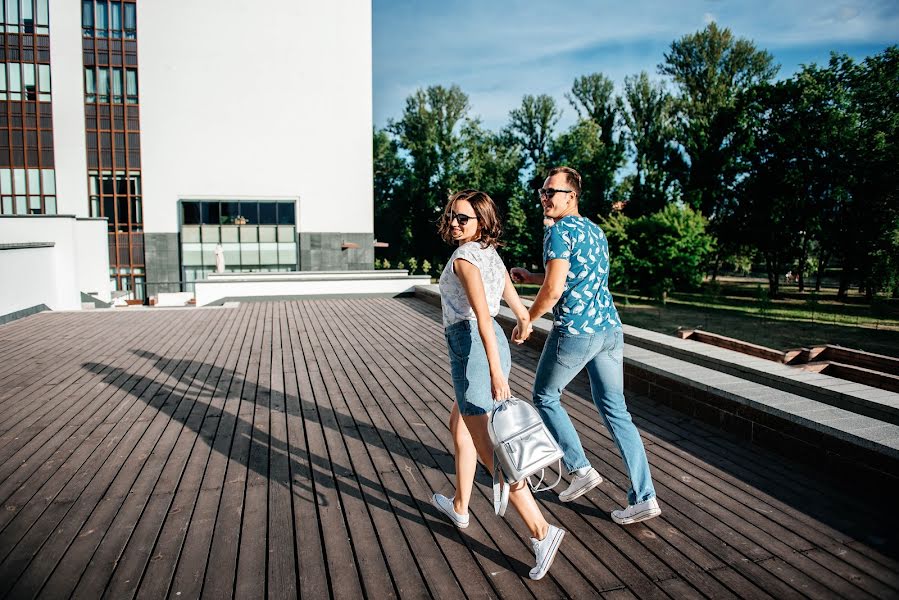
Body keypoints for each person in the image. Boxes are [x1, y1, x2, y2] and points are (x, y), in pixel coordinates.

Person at [510, 166, 661, 525]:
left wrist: (527, 319)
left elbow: (555, 290)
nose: (544, 198)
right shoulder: (595, 230)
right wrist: (532, 276)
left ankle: (580, 468)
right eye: (542, 192)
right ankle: (645, 496)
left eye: (552, 193)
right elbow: (580, 277)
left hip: (576, 331)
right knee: (616, 412)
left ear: (571, 196)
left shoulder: (558, 231)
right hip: (609, 330)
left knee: (545, 396)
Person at [431, 189, 565, 580]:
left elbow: (485, 319)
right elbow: (507, 290)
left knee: (494, 455)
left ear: (482, 222)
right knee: (459, 426)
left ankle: (542, 532)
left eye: (463, 219)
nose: (455, 224)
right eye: (452, 217)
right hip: (486, 352)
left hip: (475, 353)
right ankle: (459, 504)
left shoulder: (464, 261)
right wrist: (524, 317)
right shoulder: (489, 255)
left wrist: (494, 372)